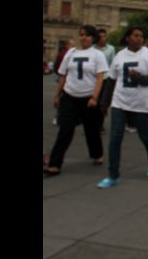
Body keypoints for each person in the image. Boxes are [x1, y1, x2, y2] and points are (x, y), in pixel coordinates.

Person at [96, 27, 148, 189]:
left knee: (145, 136)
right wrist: (104, 104)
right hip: (120, 103)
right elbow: (111, 81)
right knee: (115, 138)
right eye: (135, 36)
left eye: (141, 36)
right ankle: (113, 175)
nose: (139, 39)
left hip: (141, 104)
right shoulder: (119, 56)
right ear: (128, 38)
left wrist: (138, 77)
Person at [44, 25, 108, 176]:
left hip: (88, 98)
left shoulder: (98, 55)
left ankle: (97, 154)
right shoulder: (71, 53)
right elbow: (64, 76)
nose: (83, 37)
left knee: (91, 129)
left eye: (86, 35)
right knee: (65, 130)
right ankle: (55, 164)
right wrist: (57, 95)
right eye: (81, 35)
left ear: (93, 38)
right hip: (69, 96)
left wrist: (94, 97)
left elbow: (100, 78)